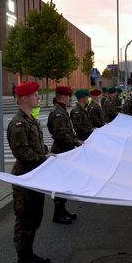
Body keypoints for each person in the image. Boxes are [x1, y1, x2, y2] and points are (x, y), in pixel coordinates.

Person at [7, 81, 52, 263]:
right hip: (25, 177)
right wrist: (44, 158)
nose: (38, 97)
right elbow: (23, 153)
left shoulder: (31, 119)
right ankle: (22, 262)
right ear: (24, 98)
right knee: (24, 222)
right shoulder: (18, 123)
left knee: (34, 219)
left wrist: (46, 155)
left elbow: (39, 146)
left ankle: (30, 254)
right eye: (34, 95)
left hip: (36, 176)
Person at [47, 86, 82, 224]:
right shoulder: (58, 113)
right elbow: (60, 135)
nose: (69, 99)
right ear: (62, 97)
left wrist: (74, 141)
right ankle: (58, 213)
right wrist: (76, 141)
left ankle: (62, 210)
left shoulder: (62, 111)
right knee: (60, 184)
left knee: (65, 183)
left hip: (66, 151)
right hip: (61, 151)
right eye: (68, 96)